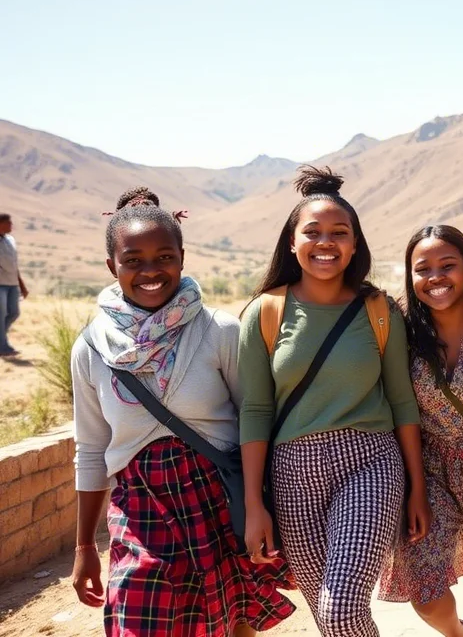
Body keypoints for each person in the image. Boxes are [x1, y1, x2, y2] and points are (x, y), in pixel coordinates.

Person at [69, 188, 294, 636]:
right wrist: (83, 547)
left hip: (216, 497)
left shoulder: (219, 331)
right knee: (138, 622)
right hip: (140, 508)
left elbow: (255, 418)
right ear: (111, 266)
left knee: (231, 620)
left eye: (164, 257)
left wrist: (257, 506)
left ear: (183, 258)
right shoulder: (91, 348)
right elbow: (91, 448)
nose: (150, 271)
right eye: (133, 260)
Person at [238, 166, 431, 637]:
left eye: (339, 233)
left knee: (341, 606)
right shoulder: (264, 312)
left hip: (369, 463)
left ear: (354, 244)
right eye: (313, 232)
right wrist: (253, 505)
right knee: (329, 617)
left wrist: (417, 488)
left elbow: (403, 403)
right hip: (291, 474)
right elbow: (256, 413)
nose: (326, 243)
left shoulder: (379, 311)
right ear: (291, 242)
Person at [379, 225, 463, 637]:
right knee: (426, 593)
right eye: (423, 269)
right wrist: (413, 488)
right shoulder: (400, 329)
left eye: (448, 265)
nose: (436, 277)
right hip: (428, 469)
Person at [0, 212, 29, 357]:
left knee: (13, 313)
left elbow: (14, 265)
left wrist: (21, 285)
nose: (11, 225)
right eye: (8, 222)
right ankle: (3, 347)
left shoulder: (10, 240)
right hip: (0, 285)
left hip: (12, 284)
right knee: (1, 314)